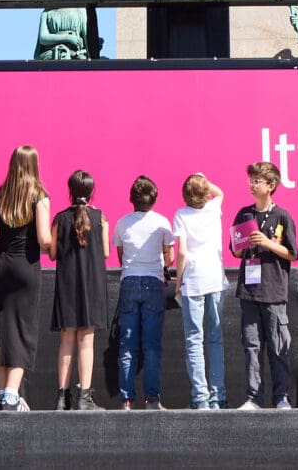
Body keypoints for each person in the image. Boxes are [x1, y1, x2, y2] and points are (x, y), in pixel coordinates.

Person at [0, 145, 55, 411]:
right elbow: (45, 239)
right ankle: (12, 394)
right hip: (25, 266)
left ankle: (3, 394)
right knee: (22, 329)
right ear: (35, 165)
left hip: (0, 265)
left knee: (1, 328)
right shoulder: (39, 195)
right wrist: (56, 245)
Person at [231, 160, 298, 409]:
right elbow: (236, 253)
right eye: (251, 180)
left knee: (278, 346)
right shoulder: (244, 214)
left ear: (271, 186)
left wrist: (268, 243)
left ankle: (281, 397)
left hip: (273, 291)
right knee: (252, 346)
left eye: (257, 181)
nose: (252, 184)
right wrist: (244, 245)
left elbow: (292, 253)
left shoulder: (282, 216)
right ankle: (253, 398)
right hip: (249, 291)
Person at [49, 169, 110, 411]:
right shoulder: (100, 218)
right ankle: (85, 397)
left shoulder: (60, 219)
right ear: (92, 191)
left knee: (66, 340)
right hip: (92, 284)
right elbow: (105, 252)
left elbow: (53, 253)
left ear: (69, 191)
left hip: (67, 283)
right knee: (87, 340)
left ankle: (62, 398)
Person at [169, 172, 229, 410]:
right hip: (215, 279)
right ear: (206, 193)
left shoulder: (181, 215)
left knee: (194, 341)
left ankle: (200, 398)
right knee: (215, 339)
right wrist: (205, 179)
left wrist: (178, 281)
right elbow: (220, 192)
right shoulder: (214, 208)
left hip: (192, 281)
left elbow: (182, 253)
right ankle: (218, 396)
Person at [113, 175, 171, 410]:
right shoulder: (162, 223)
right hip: (154, 282)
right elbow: (169, 255)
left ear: (132, 199)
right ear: (154, 198)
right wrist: (164, 267)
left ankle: (126, 400)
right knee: (152, 345)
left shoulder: (122, 223)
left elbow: (120, 256)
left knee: (127, 345)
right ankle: (152, 399)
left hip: (129, 282)